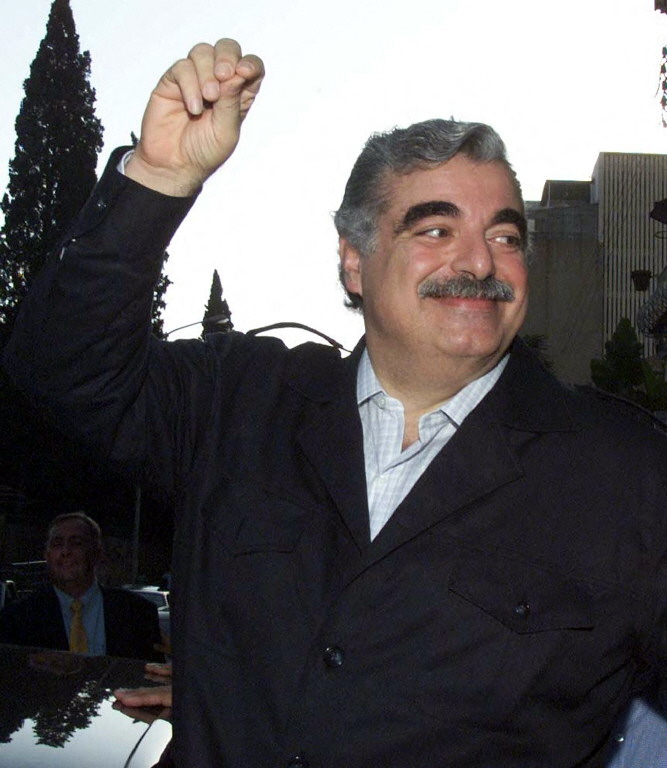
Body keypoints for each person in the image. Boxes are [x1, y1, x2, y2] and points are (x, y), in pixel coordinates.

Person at [4, 38, 667, 767]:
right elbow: (59, 364)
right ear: (353, 260)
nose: (480, 261)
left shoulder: (627, 472)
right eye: (435, 228)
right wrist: (158, 178)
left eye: (505, 235)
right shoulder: (237, 404)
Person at [0, 512, 163, 661]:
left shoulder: (138, 614)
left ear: (97, 553)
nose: (66, 551)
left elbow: (152, 676)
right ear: (46, 555)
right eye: (57, 544)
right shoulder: (18, 618)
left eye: (76, 543)